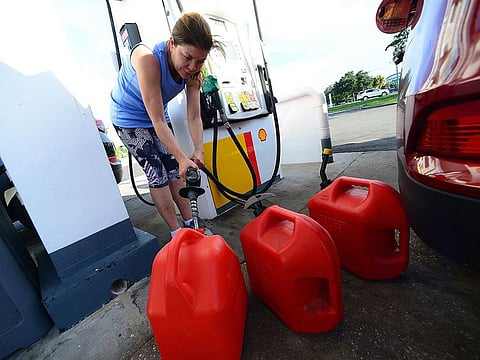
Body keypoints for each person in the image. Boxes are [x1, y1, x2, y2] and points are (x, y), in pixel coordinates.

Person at [110, 12, 221, 238]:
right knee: (157, 173)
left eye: (200, 60)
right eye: (187, 57)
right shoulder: (147, 58)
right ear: (172, 43)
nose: (192, 66)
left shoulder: (194, 70)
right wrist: (182, 156)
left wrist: (197, 149)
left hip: (158, 116)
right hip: (129, 118)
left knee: (174, 170)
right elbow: (157, 120)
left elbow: (194, 117)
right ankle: (176, 232)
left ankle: (192, 224)